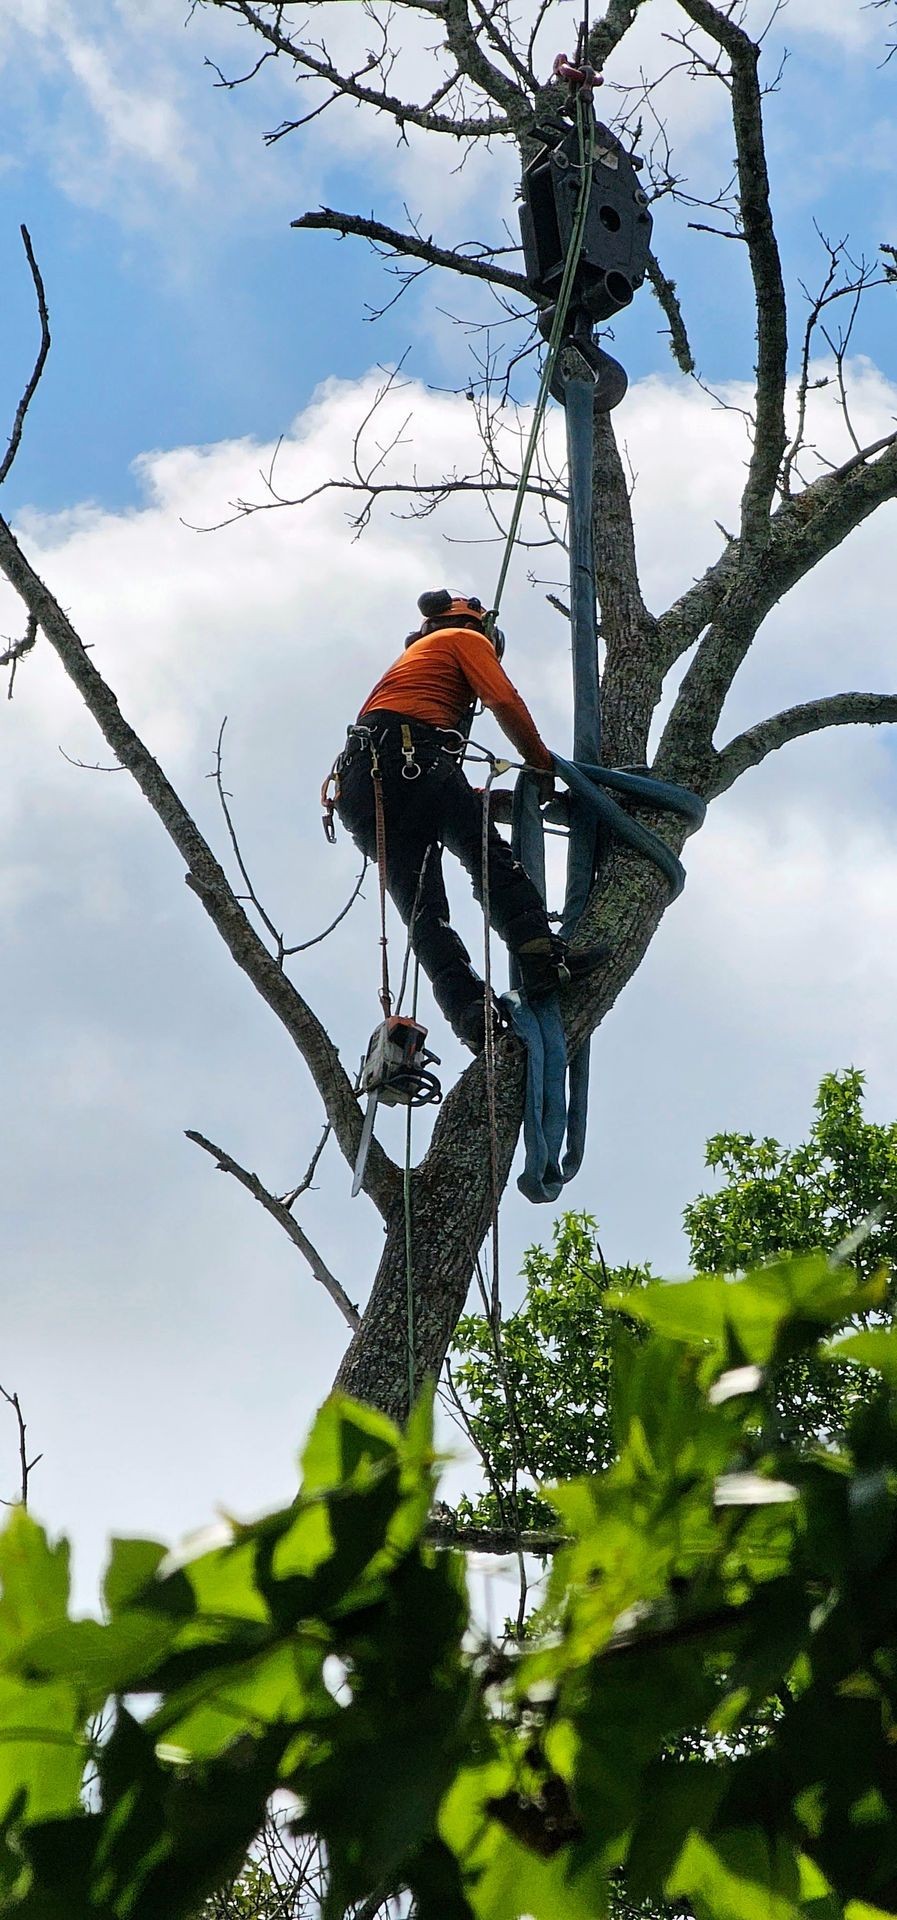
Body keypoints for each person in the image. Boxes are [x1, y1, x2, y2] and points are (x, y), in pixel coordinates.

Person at [332, 589, 602, 1051]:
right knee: (487, 856)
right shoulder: (464, 636)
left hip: (362, 785)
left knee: (424, 914)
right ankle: (540, 957)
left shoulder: (413, 669)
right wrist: (541, 765)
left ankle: (472, 1017)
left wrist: (478, 799)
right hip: (409, 758)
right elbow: (505, 702)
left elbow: (422, 792)